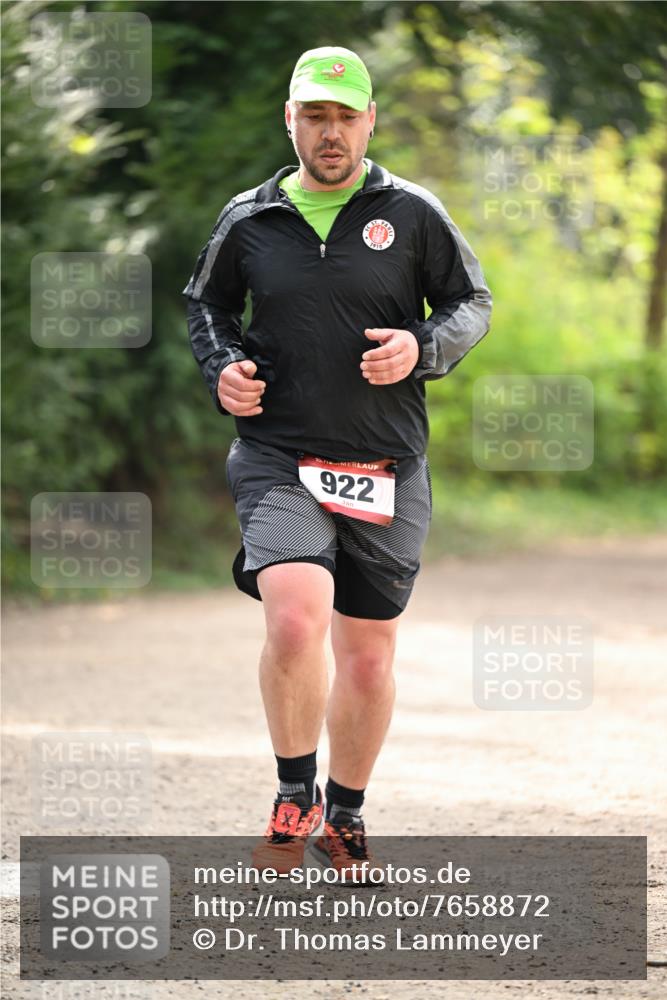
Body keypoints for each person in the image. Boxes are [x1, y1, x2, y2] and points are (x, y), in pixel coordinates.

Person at [183, 45, 492, 879]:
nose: (330, 132)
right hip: (278, 453)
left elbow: (471, 302)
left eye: (345, 117)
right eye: (314, 116)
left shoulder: (412, 212)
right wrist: (223, 368)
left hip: (386, 460)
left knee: (368, 655)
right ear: (290, 120)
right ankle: (295, 795)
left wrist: (421, 346)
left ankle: (344, 817)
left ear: (369, 121)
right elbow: (206, 305)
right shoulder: (249, 218)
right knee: (293, 617)